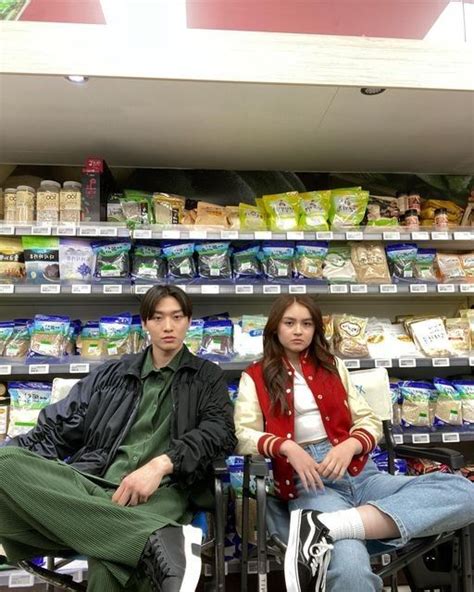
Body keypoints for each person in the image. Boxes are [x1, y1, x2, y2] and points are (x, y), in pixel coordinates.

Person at [0, 285, 236, 592]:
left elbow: (220, 433)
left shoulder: (207, 377)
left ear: (188, 321)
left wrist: (161, 465)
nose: (168, 326)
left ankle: (140, 537)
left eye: (176, 317)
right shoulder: (111, 375)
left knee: (108, 565)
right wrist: (21, 462)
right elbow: (56, 429)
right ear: (145, 323)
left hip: (165, 492)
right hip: (96, 485)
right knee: (5, 463)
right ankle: (157, 538)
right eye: (158, 317)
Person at [234, 294, 474, 592]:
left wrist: (350, 445)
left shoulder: (333, 366)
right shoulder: (255, 376)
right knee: (351, 571)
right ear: (275, 329)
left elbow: (369, 422)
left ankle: (332, 527)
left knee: (464, 490)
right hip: (312, 485)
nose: (298, 331)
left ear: (315, 329)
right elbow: (243, 435)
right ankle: (333, 526)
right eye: (290, 323)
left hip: (364, 474)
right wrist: (288, 447)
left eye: (307, 324)